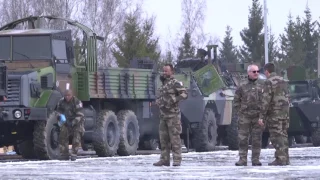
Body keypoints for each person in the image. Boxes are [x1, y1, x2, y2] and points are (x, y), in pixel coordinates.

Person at [153, 64, 188, 167]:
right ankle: (164, 159)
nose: (164, 73)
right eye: (163, 71)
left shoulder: (175, 83)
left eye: (167, 71)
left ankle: (177, 160)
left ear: (172, 72)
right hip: (163, 116)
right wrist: (158, 102)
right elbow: (160, 97)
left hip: (173, 116)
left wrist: (175, 99)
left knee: (175, 140)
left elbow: (185, 94)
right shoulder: (163, 86)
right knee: (163, 140)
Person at [258, 62, 290, 166]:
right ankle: (286, 158)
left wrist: (261, 116)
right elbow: (288, 97)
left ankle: (280, 159)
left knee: (276, 136)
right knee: (284, 135)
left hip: (274, 114)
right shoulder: (284, 80)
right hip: (285, 113)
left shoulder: (269, 82)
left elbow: (266, 100)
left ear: (267, 71)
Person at [233, 64, 265, 166]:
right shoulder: (242, 85)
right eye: (254, 71)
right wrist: (240, 112)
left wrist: (263, 115)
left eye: (257, 71)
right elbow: (236, 100)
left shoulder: (262, 84)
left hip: (257, 116)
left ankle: (255, 159)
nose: (256, 73)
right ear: (248, 73)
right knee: (243, 139)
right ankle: (242, 159)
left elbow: (266, 101)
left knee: (256, 139)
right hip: (245, 116)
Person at [56, 90, 85, 161]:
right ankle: (64, 153)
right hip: (66, 121)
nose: (67, 97)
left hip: (77, 121)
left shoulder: (77, 102)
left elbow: (80, 115)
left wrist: (73, 122)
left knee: (77, 135)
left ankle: (74, 153)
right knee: (62, 134)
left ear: (71, 95)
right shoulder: (61, 102)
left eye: (68, 95)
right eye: (65, 96)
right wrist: (60, 117)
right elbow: (58, 112)